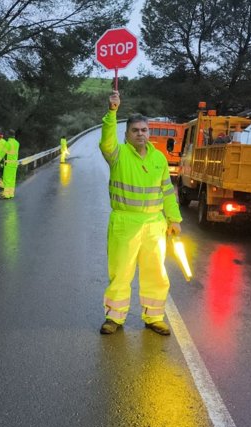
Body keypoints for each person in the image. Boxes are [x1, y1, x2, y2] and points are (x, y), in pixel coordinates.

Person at [98, 91, 182, 336]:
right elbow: (106, 141)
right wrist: (112, 112)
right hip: (125, 222)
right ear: (127, 135)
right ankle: (114, 318)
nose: (140, 134)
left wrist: (174, 219)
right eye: (135, 130)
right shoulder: (118, 154)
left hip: (154, 224)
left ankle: (154, 317)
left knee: (156, 273)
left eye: (144, 130)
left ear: (149, 132)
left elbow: (167, 192)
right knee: (121, 273)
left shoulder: (159, 158)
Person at [0, 129, 19, 199]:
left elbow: (2, 154)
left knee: (7, 180)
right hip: (14, 164)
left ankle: (6, 195)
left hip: (8, 164)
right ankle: (11, 194)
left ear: (9, 135)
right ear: (14, 135)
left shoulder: (7, 143)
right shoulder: (17, 143)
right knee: (12, 180)